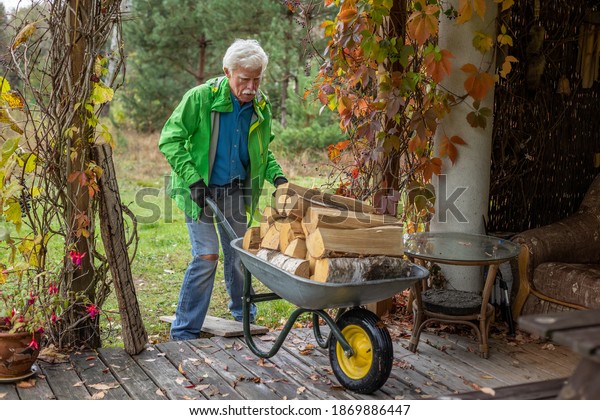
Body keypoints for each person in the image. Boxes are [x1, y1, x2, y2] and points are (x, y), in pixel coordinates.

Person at [159, 39, 287, 340]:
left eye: (257, 79)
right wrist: (193, 180)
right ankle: (184, 332)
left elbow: (261, 153)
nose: (251, 87)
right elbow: (170, 139)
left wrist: (278, 178)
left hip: (232, 191)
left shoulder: (259, 107)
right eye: (244, 79)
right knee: (206, 256)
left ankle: (245, 319)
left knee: (241, 253)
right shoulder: (201, 98)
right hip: (199, 190)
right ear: (227, 72)